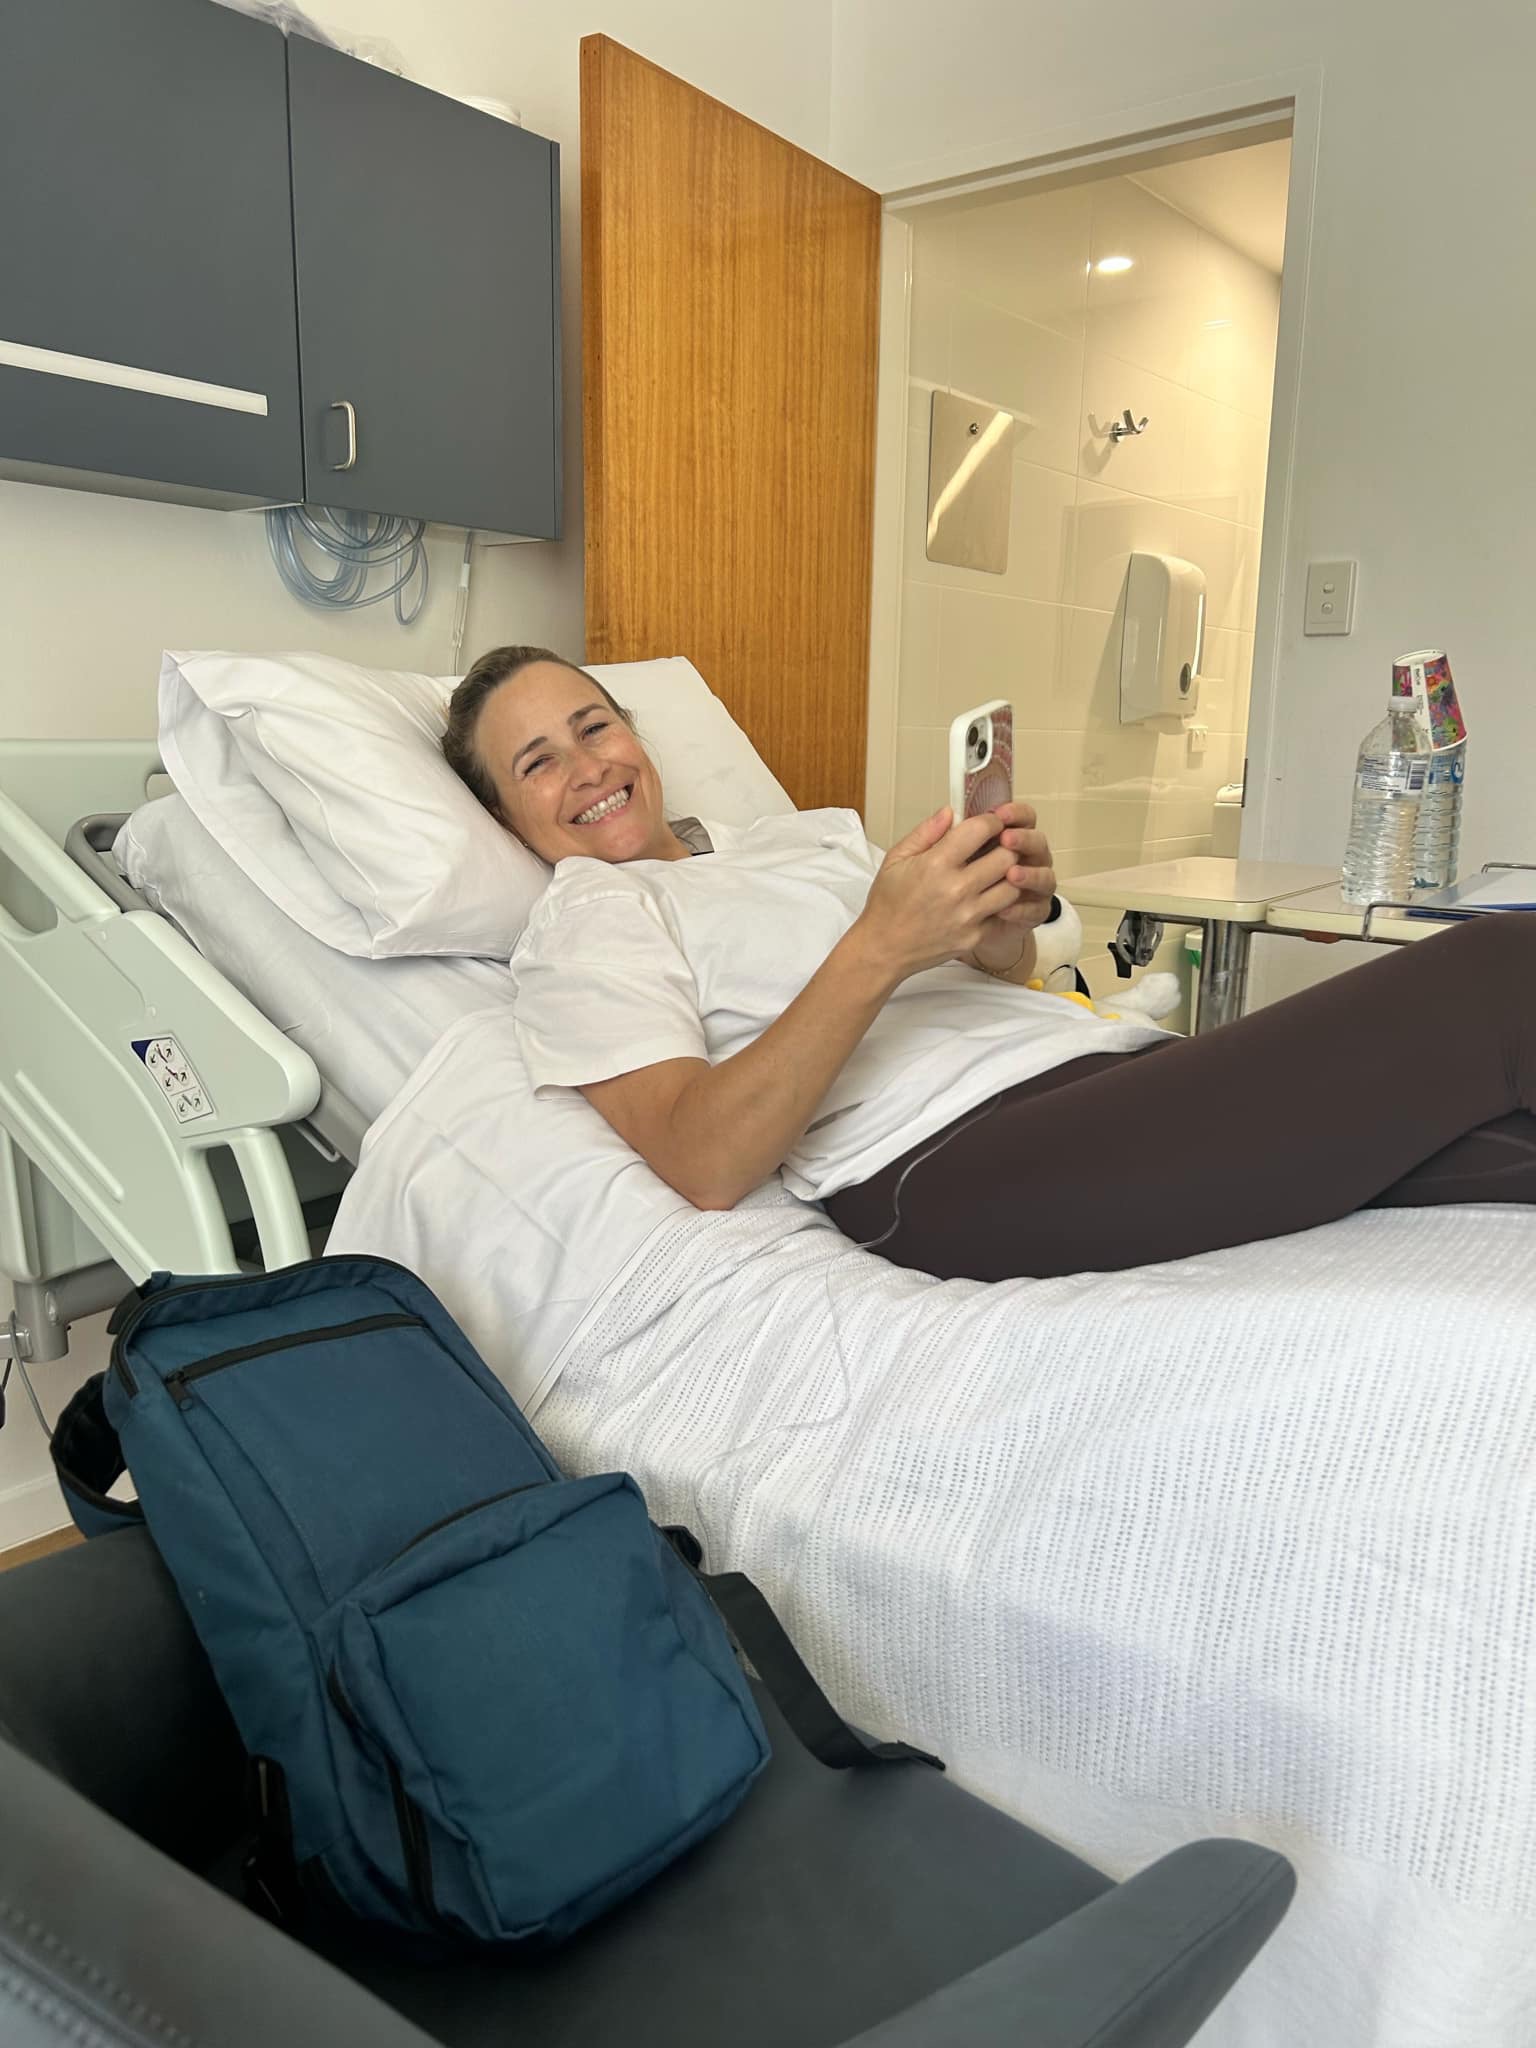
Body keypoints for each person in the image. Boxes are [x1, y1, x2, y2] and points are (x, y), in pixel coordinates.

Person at [443, 644, 1536, 1283]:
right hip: (947, 1163)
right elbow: (701, 1159)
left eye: (595, 727)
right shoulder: (591, 917)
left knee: (1503, 1147)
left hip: (1087, 1073)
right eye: (538, 762)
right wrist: (878, 943)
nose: (588, 767)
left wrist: (995, 924)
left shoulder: (794, 840)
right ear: (502, 816)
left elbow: (987, 987)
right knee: (1496, 971)